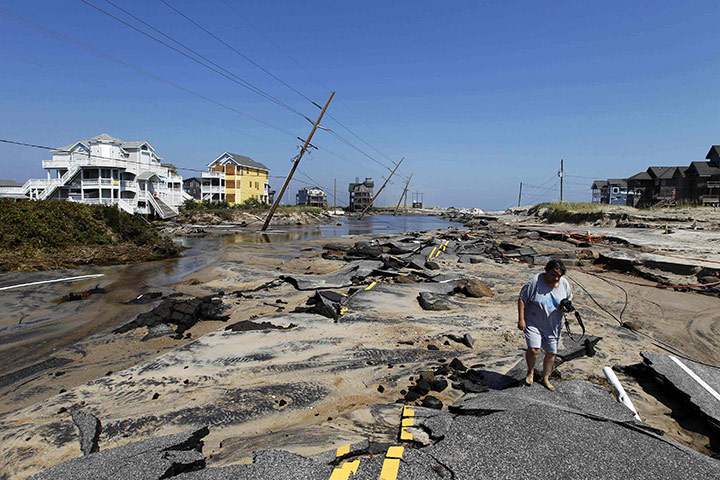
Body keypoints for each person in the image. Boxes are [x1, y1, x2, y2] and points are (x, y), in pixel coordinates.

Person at [517, 259, 572, 391]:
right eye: (553, 274)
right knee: (533, 349)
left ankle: (546, 378)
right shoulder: (535, 282)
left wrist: (566, 308)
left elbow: (568, 300)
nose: (556, 278)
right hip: (533, 321)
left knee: (551, 353)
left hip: (553, 324)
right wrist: (521, 319)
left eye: (559, 275)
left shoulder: (564, 284)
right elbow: (522, 299)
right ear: (547, 271)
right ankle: (530, 372)